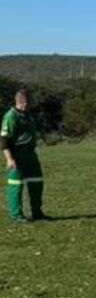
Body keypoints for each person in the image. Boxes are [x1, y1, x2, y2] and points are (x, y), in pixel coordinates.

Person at [2, 88, 49, 222]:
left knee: (36, 183)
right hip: (17, 156)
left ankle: (37, 213)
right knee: (15, 185)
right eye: (29, 101)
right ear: (22, 102)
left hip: (31, 155)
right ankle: (16, 215)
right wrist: (9, 159)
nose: (30, 104)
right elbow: (4, 139)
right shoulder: (11, 116)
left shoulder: (28, 115)